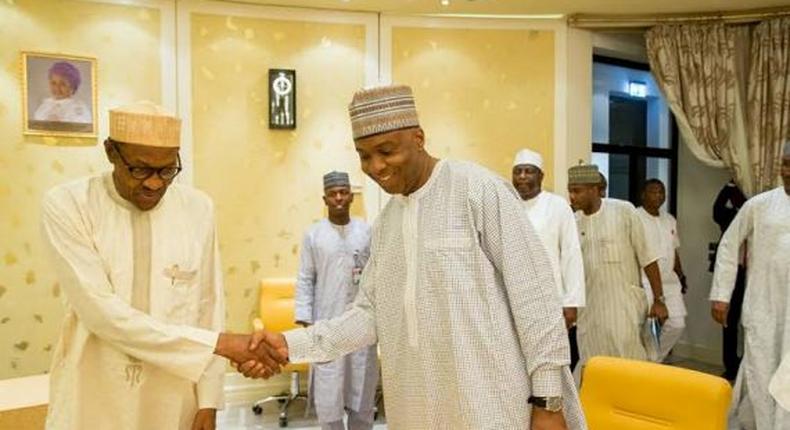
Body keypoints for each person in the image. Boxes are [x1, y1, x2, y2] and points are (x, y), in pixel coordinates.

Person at [243, 85, 586, 429]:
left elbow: (535, 300)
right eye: (364, 155)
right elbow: (368, 315)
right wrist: (289, 344)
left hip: (494, 404)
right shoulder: (388, 223)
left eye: (386, 151)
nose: (376, 166)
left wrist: (548, 401)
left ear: (419, 138)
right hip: (417, 407)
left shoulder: (477, 190)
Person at [41, 102, 286, 430]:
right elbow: (100, 313)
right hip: (95, 390)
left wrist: (209, 400)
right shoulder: (69, 204)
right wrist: (223, 344)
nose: (154, 184)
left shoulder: (197, 208)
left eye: (167, 170)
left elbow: (209, 305)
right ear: (111, 152)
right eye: (140, 169)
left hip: (172, 393)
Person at [709, 141, 790, 430]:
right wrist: (721, 295)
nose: (788, 171)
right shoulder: (760, 205)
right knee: (761, 370)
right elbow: (729, 245)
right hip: (763, 305)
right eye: (785, 164)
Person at [294, 171, 378, 430]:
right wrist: (306, 320)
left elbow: (376, 275)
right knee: (329, 394)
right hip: (327, 325)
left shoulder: (366, 231)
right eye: (333, 194)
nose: (339, 198)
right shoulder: (314, 235)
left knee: (361, 391)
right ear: (325, 198)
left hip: (361, 323)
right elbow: (305, 278)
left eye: (343, 192)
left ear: (351, 196)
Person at [567, 164, 668, 369]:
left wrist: (659, 299)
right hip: (589, 310)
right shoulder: (573, 222)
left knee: (628, 362)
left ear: (594, 189)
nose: (572, 197)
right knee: (592, 362)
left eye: (577, 191)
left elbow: (648, 258)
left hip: (624, 307)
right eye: (570, 191)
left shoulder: (623, 211)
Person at [512, 148, 585, 371]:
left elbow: (571, 254)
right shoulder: (506, 204)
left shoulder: (557, 206)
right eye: (518, 171)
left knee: (550, 361)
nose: (523, 176)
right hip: (514, 296)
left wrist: (571, 302)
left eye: (529, 171)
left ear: (541, 176)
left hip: (550, 298)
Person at [636, 179, 688, 362]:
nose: (658, 196)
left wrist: (681, 275)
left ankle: (652, 361)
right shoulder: (636, 217)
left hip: (670, 282)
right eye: (653, 192)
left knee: (677, 324)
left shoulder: (669, 220)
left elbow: (674, 250)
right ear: (643, 194)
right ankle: (646, 363)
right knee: (649, 325)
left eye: (661, 192)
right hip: (645, 281)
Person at [713, 180, 748, 380]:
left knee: (752, 320)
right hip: (736, 273)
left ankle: (748, 363)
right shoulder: (730, 217)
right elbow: (716, 209)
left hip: (756, 273)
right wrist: (729, 185)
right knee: (730, 320)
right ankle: (731, 365)